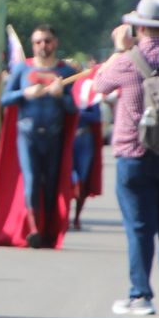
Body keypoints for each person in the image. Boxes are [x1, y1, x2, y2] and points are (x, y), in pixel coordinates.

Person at [94, 0, 159, 316]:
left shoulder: (127, 60)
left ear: (138, 26)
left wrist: (120, 47)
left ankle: (141, 295)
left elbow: (100, 85)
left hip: (133, 152)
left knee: (139, 228)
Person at [0, 25, 78, 249]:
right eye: (38, 42)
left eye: (47, 41)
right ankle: (33, 229)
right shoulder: (22, 69)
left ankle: (48, 229)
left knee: (50, 185)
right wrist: (24, 93)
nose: (43, 46)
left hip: (53, 135)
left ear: (55, 42)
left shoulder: (65, 72)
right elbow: (4, 99)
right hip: (27, 134)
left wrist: (60, 96)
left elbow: (73, 109)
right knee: (30, 182)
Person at [70, 66, 103, 230]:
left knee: (82, 179)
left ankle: (76, 217)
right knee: (69, 177)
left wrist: (79, 112)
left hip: (84, 138)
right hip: (69, 139)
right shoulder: (65, 92)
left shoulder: (89, 91)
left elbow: (97, 116)